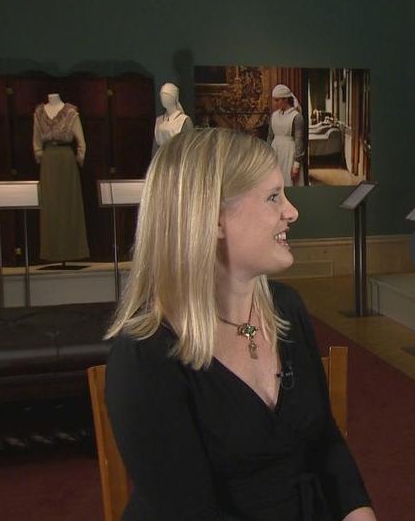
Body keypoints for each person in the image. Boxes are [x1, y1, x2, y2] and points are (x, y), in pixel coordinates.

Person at [104, 128, 375, 521]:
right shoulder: (145, 354)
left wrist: (359, 514)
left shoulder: (286, 308)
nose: (292, 212)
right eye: (273, 197)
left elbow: (324, 441)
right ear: (213, 219)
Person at [33, 92, 90, 262]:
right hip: (48, 160)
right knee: (50, 204)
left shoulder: (70, 113)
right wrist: (39, 153)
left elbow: (81, 140)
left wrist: (80, 155)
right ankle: (52, 250)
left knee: (68, 204)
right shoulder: (39, 113)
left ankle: (73, 250)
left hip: (66, 159)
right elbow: (36, 139)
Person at [267, 84, 307, 186]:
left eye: (277, 100)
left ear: (286, 99)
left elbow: (299, 141)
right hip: (275, 152)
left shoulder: (296, 117)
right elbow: (270, 137)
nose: (275, 103)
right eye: (274, 100)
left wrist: (296, 165)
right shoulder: (274, 116)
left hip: (289, 153)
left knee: (289, 183)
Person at [152, 82, 193, 153]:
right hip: (162, 157)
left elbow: (189, 146)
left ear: (174, 98)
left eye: (167, 96)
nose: (163, 98)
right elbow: (155, 148)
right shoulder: (159, 120)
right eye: (162, 96)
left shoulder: (183, 120)